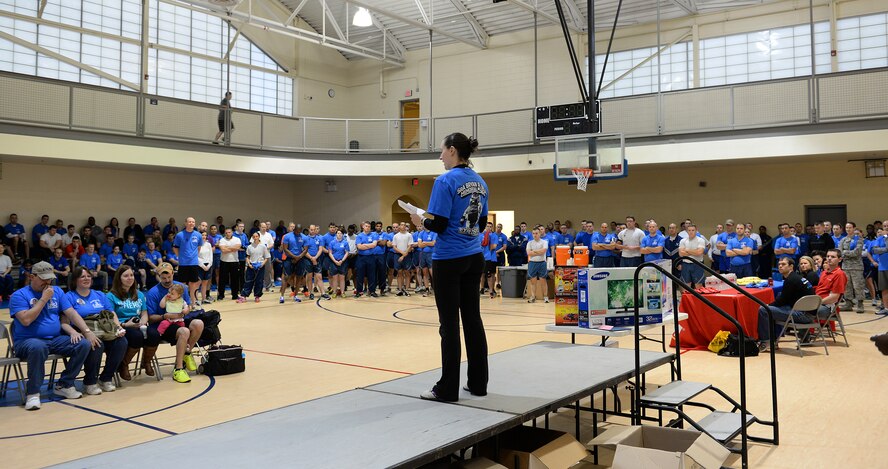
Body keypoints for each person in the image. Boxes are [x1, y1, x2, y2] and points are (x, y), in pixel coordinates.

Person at [409, 132, 488, 402]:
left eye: (442, 151)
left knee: (449, 325)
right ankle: (478, 383)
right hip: (474, 256)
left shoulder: (444, 181)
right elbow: (481, 222)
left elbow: (439, 224)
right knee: (473, 320)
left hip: (449, 259)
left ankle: (447, 388)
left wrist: (421, 221)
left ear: (452, 150)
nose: (440, 156)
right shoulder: (480, 182)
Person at [10, 261, 99, 410]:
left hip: (55, 340)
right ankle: (33, 393)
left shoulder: (57, 291)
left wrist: (86, 331)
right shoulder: (19, 295)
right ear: (32, 277)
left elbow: (71, 313)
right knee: (38, 347)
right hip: (27, 341)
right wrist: (44, 299)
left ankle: (64, 384)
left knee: (83, 344)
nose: (47, 282)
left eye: (50, 278)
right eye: (43, 278)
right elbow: (26, 320)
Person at [65, 266, 127, 395]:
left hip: (103, 328)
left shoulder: (99, 294)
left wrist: (118, 327)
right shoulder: (69, 296)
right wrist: (79, 332)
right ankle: (90, 382)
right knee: (97, 344)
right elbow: (64, 321)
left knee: (121, 342)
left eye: (88, 276)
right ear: (75, 280)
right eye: (82, 276)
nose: (86, 278)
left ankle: (106, 378)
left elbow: (111, 313)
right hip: (83, 330)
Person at [146, 262, 204, 383]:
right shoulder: (153, 293)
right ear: (158, 276)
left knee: (198, 324)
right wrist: (164, 316)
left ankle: (187, 353)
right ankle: (178, 368)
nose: (167, 280)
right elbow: (151, 318)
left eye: (169, 277)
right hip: (163, 323)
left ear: (173, 273)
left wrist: (186, 310)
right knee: (184, 331)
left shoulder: (181, 287)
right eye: (163, 278)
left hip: (180, 319)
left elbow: (188, 305)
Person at [106, 265, 156, 380]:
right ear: (119, 278)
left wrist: (142, 323)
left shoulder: (139, 294)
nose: (130, 278)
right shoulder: (111, 296)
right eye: (126, 276)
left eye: (131, 275)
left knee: (154, 334)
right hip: (122, 325)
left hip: (138, 324)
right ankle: (124, 365)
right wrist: (124, 325)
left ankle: (146, 362)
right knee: (136, 336)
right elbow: (110, 317)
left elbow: (144, 313)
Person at [756, 257, 815, 349]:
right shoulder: (797, 277)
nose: (780, 266)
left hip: (803, 316)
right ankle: (804, 337)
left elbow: (782, 300)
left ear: (791, 266)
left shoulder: (791, 280)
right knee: (776, 307)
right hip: (811, 313)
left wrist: (768, 305)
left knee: (764, 310)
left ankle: (767, 341)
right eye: (779, 264)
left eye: (783, 264)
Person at [173, 217, 203, 307]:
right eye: (189, 222)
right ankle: (183, 302)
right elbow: (175, 248)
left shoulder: (198, 235)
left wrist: (193, 256)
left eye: (193, 222)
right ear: (185, 223)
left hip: (193, 263)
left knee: (193, 283)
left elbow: (198, 248)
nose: (191, 223)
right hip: (183, 263)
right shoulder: (179, 235)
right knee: (182, 284)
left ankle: (193, 302)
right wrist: (180, 257)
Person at [839, 222, 866, 313]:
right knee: (847, 286)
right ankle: (848, 303)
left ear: (854, 228)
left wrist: (845, 252)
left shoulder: (859, 239)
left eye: (850, 227)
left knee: (858, 285)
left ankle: (860, 303)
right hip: (845, 266)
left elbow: (856, 253)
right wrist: (846, 253)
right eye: (846, 227)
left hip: (856, 267)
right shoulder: (843, 240)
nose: (848, 229)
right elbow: (840, 252)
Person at [238, 232, 270, 303]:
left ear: (259, 237)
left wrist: (262, 264)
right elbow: (247, 256)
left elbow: (267, 257)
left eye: (256, 236)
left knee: (259, 281)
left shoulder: (263, 246)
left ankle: (257, 296)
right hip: (251, 266)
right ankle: (244, 296)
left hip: (260, 266)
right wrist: (249, 264)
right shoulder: (249, 247)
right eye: (254, 236)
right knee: (248, 281)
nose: (255, 238)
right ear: (252, 237)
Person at [280, 223, 305, 303]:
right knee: (286, 277)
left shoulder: (304, 237)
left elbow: (305, 249)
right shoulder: (287, 236)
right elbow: (285, 249)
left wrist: (299, 257)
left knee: (299, 277)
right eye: (297, 231)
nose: (298, 232)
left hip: (299, 259)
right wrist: (294, 257)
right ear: (294, 230)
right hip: (289, 258)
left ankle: (296, 295)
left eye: (299, 231)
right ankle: (282, 296)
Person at [526, 228, 549, 303]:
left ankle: (545, 297)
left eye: (536, 233)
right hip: (532, 263)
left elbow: (543, 251)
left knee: (543, 281)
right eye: (533, 233)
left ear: (540, 233)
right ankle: (533, 297)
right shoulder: (529, 243)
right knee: (533, 281)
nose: (535, 235)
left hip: (542, 263)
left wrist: (534, 251)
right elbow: (529, 253)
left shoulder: (544, 242)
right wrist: (538, 252)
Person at [391, 223, 413, 297]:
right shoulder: (396, 236)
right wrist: (402, 253)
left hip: (407, 255)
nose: (403, 226)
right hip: (397, 255)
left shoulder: (409, 235)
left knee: (407, 272)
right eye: (401, 225)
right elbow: (394, 247)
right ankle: (400, 289)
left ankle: (406, 289)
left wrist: (404, 255)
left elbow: (410, 246)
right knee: (399, 272)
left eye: (404, 225)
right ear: (399, 226)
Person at [327, 230, 350, 297]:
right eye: (338, 233)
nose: (339, 234)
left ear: (343, 234)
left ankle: (342, 292)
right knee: (335, 278)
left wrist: (342, 261)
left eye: (340, 233)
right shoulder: (332, 242)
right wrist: (335, 261)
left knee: (342, 278)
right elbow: (330, 253)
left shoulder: (345, 243)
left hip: (342, 262)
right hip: (334, 262)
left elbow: (347, 253)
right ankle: (334, 292)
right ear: (336, 234)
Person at [198, 231, 214, 305]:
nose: (204, 236)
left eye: (205, 235)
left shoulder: (208, 244)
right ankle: (195, 299)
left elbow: (211, 255)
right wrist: (202, 265)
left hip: (208, 266)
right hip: (199, 266)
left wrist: (209, 265)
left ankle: (203, 299)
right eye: (202, 235)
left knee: (205, 283)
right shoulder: (197, 245)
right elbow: (196, 256)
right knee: (197, 283)